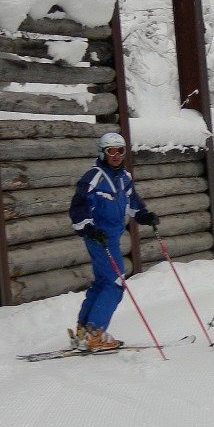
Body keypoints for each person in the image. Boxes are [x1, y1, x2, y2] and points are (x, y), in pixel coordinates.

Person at [68, 132, 158, 350]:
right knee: (115, 283)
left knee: (103, 282)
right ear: (103, 152)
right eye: (111, 151)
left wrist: (143, 215)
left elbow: (132, 202)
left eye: (120, 151)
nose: (116, 155)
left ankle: (84, 331)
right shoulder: (93, 177)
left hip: (111, 238)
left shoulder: (124, 177)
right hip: (99, 237)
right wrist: (88, 227)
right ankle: (95, 332)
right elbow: (78, 206)